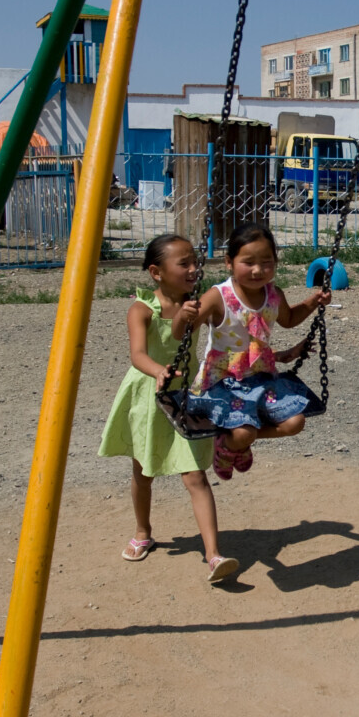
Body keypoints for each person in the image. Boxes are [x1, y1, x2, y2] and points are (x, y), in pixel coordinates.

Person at [98, 234, 239, 582]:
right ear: (156, 272)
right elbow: (138, 355)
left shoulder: (197, 303)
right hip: (148, 393)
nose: (193, 269)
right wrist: (159, 370)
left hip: (185, 395)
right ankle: (143, 531)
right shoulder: (141, 310)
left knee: (194, 475)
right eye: (184, 263)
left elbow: (227, 317)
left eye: (195, 261)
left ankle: (213, 555)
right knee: (143, 471)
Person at [181, 222, 330, 479]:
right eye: (248, 262)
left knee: (296, 422)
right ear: (229, 262)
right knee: (244, 432)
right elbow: (182, 333)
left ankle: (235, 442)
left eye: (267, 262)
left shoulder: (274, 295)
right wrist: (184, 316)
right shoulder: (218, 296)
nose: (258, 270)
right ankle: (230, 445)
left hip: (260, 379)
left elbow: (289, 319)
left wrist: (312, 302)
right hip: (222, 382)